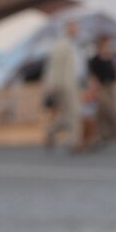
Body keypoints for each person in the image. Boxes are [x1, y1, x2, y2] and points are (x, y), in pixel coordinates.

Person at [84, 35, 116, 151]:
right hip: (101, 89)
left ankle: (101, 137)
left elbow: (115, 76)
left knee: (102, 114)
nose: (107, 48)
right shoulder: (94, 61)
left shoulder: (111, 59)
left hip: (110, 88)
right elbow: (93, 78)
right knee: (112, 111)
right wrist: (94, 91)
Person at [42, 21, 83, 151]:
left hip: (74, 83)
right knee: (75, 112)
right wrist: (53, 84)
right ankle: (74, 142)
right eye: (73, 27)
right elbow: (54, 67)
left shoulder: (75, 45)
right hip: (64, 85)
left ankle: (52, 131)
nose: (76, 29)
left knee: (70, 114)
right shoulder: (62, 45)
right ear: (67, 29)